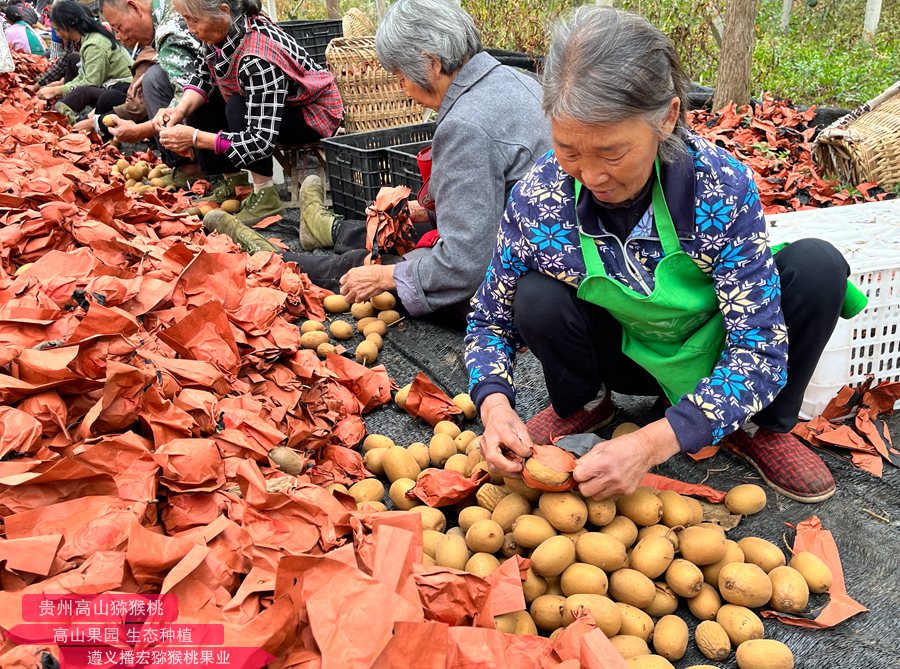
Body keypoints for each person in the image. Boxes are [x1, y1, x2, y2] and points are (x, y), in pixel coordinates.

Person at [465, 6, 863, 504]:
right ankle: (586, 401)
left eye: (612, 153)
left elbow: (759, 351)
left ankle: (761, 427)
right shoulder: (541, 197)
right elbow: (489, 321)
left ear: (668, 118)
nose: (591, 175)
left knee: (816, 267)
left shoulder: (719, 188)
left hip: (721, 355)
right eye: (569, 150)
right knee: (536, 294)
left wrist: (649, 443)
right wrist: (495, 406)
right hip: (630, 353)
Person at [277, 0, 551, 323]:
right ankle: (326, 229)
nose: (403, 90)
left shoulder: (464, 126)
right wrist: (431, 207)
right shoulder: (514, 80)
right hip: (534, 245)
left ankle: (275, 262)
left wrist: (384, 278)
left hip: (513, 283)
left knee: (367, 265)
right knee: (398, 226)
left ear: (432, 63)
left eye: (401, 77)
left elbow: (465, 265)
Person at [155, 0, 342, 224]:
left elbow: (260, 140)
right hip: (273, 107)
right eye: (185, 19)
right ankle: (234, 181)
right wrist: (178, 110)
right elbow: (204, 78)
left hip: (310, 114)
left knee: (237, 106)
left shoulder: (257, 57)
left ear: (223, 11)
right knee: (207, 100)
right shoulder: (222, 32)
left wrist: (195, 138)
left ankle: (265, 196)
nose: (189, 27)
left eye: (193, 20)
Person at [98, 0, 202, 186]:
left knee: (154, 80)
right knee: (153, 77)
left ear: (135, 7)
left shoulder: (168, 29)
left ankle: (194, 169)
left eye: (119, 27)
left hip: (240, 98)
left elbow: (185, 98)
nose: (119, 36)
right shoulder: (165, 12)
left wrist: (138, 131)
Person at [35, 1, 131, 120]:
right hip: (106, 84)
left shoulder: (94, 45)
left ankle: (68, 118)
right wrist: (61, 87)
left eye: (57, 29)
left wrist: (57, 90)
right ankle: (65, 103)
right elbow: (79, 72)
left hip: (122, 92)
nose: (57, 34)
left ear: (69, 25)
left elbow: (91, 82)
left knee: (84, 91)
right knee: (73, 59)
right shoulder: (83, 39)